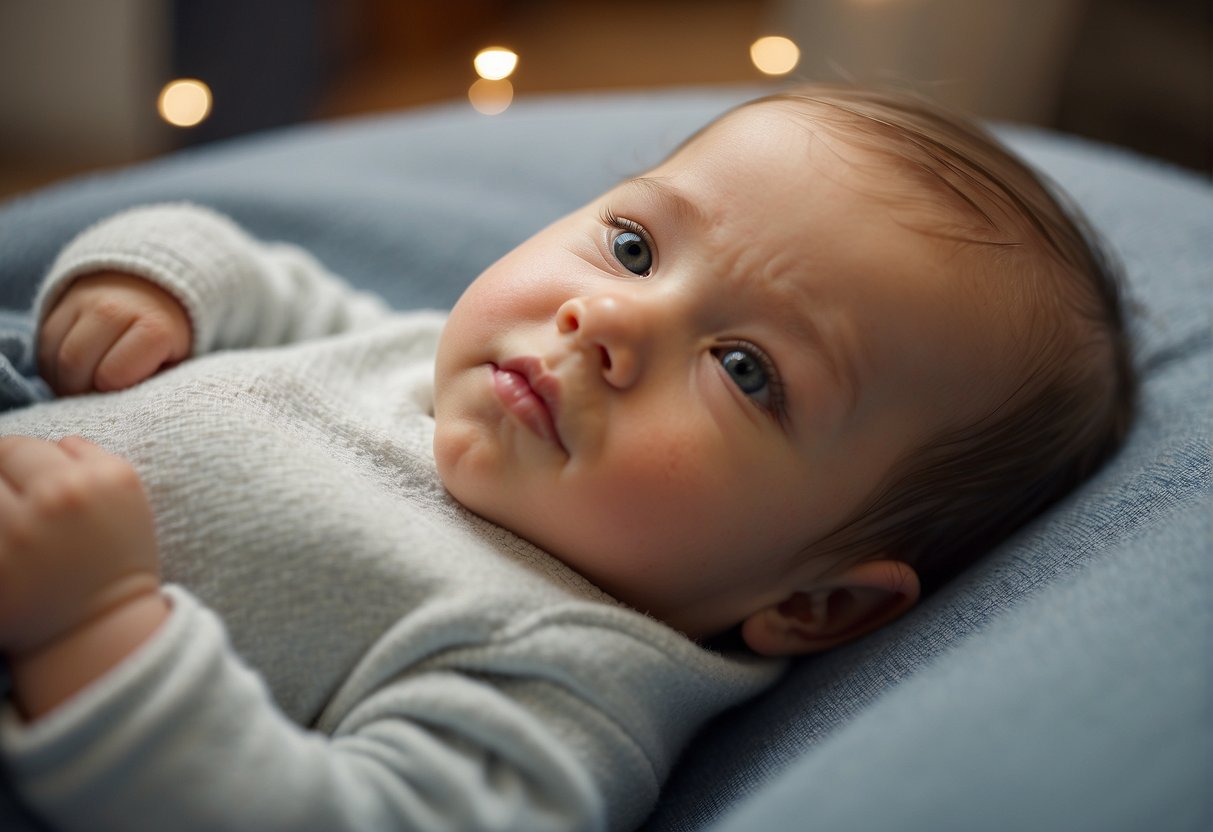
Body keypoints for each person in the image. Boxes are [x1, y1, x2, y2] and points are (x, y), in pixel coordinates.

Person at [0, 85, 1132, 831]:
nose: (606, 319)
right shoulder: (443, 360)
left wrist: (93, 629)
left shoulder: (562, 680)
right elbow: (262, 280)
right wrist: (152, 284)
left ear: (820, 603)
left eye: (745, 370)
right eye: (634, 245)